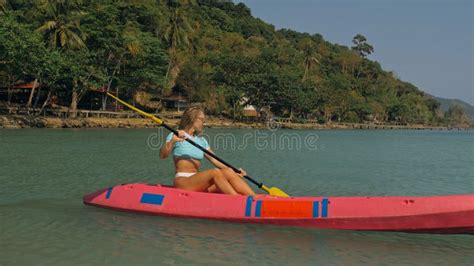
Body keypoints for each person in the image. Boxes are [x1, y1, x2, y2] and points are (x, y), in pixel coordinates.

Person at [160, 106, 255, 196]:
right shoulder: (176, 134)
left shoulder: (202, 141)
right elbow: (162, 155)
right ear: (192, 119)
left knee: (228, 171)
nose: (203, 123)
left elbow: (215, 160)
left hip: (198, 182)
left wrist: (236, 171)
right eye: (201, 120)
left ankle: (255, 198)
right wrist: (172, 141)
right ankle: (237, 200)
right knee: (215, 172)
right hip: (183, 181)